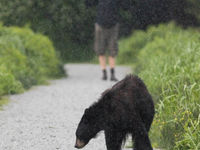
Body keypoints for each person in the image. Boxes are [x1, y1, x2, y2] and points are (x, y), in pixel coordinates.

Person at [85, 0, 130, 81]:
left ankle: (112, 74)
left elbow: (126, 6)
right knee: (100, 50)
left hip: (112, 25)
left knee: (112, 51)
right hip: (101, 24)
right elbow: (89, 3)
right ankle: (104, 73)